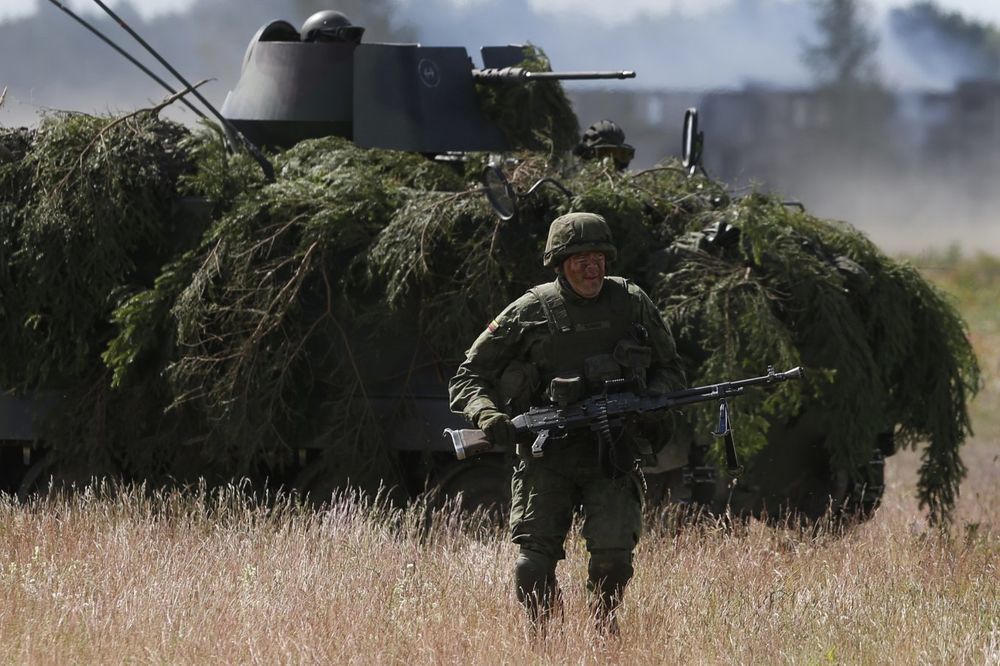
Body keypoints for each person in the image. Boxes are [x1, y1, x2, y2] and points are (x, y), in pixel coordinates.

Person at [448, 212, 686, 633]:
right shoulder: (530, 310)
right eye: (580, 258)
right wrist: (488, 415)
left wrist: (647, 402)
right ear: (560, 263)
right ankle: (546, 641)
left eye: (598, 256)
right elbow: (469, 376)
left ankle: (602, 632)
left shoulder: (631, 302)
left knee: (613, 560)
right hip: (548, 456)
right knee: (531, 567)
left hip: (611, 453)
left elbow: (670, 368)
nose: (591, 266)